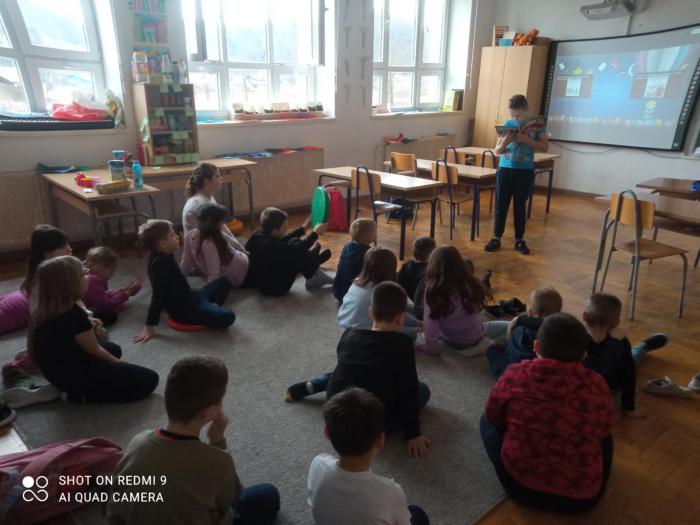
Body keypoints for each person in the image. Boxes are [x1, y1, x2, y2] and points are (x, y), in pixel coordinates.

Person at [106, 356, 280, 525]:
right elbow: (229, 499)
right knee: (266, 495)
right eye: (220, 402)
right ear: (208, 412)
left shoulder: (138, 440)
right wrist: (218, 443)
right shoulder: (217, 460)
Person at [481, 313, 614, 513]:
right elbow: (603, 429)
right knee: (605, 436)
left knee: (485, 420)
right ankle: (598, 473)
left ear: (536, 347)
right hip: (583, 500)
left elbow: (493, 415)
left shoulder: (515, 373)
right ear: (584, 354)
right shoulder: (597, 384)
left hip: (520, 487)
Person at [286, 282, 431, 459]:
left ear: (370, 312)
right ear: (401, 319)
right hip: (370, 425)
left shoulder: (349, 334)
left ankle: (320, 383)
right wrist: (412, 433)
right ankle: (324, 382)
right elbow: (408, 391)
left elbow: (344, 365)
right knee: (422, 390)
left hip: (336, 408)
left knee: (352, 369)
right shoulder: (403, 345)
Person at [28, 256, 158, 403]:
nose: (88, 276)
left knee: (114, 349)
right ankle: (84, 395)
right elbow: (95, 350)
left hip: (58, 375)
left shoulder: (46, 309)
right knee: (150, 379)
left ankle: (79, 388)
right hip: (74, 377)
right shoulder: (73, 313)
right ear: (70, 283)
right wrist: (125, 366)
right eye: (84, 273)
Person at [308, 387, 430, 525]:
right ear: (380, 441)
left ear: (327, 433)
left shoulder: (318, 464)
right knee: (417, 513)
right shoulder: (389, 491)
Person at [133, 220, 235, 343]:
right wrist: (149, 326)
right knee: (229, 316)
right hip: (184, 310)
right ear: (163, 244)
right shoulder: (159, 265)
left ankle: (210, 308)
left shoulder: (163, 253)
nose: (177, 237)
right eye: (172, 235)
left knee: (224, 281)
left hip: (191, 295)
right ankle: (209, 310)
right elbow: (157, 295)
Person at [582, 292, 667, 417]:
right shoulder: (618, 341)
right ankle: (643, 346)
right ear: (616, 322)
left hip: (610, 381)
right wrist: (629, 408)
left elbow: (628, 372)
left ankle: (643, 346)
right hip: (598, 384)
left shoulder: (577, 338)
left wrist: (628, 406)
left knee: (632, 357)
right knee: (632, 357)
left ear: (584, 316)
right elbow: (628, 373)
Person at [484, 94, 549, 255]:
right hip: (505, 170)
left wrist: (525, 140)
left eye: (518, 115)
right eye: (512, 115)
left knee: (520, 207)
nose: (515, 119)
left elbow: (544, 147)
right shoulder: (508, 124)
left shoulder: (537, 124)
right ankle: (496, 237)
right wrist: (505, 142)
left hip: (524, 172)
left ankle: (519, 240)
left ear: (526, 110)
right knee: (501, 206)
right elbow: (497, 150)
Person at [421, 246, 504, 356]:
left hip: (446, 337)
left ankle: (482, 343)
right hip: (471, 339)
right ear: (460, 263)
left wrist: (431, 347)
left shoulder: (432, 290)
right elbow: (477, 310)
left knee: (482, 320)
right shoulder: (470, 284)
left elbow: (430, 321)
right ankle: (487, 345)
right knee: (511, 327)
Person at [0, 225, 71, 335]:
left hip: (17, 299)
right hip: (15, 310)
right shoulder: (49, 273)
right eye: (63, 246)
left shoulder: (41, 268)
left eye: (68, 244)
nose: (69, 249)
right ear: (47, 253)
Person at [245, 207, 333, 296]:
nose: (286, 230)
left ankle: (312, 269)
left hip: (265, 283)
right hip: (276, 288)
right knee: (297, 253)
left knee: (294, 241)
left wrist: (303, 228)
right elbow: (296, 249)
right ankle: (314, 264)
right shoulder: (271, 245)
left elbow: (283, 239)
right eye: (284, 228)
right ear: (275, 230)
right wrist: (315, 233)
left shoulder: (259, 234)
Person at [337, 247, 420, 338]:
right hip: (363, 332)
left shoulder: (357, 281)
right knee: (411, 334)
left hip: (344, 324)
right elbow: (395, 316)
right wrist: (418, 323)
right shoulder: (382, 292)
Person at [486, 286, 562, 378]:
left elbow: (511, 344)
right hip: (534, 370)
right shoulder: (561, 331)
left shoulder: (521, 328)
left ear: (530, 312)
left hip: (514, 373)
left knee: (492, 350)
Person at [181, 204, 252, 288]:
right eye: (222, 222)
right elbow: (213, 275)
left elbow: (186, 263)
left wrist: (244, 251)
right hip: (243, 274)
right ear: (216, 224)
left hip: (243, 261)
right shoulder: (209, 244)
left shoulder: (190, 235)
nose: (223, 224)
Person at [83, 246, 143, 327]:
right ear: (101, 266)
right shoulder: (92, 280)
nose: (112, 275)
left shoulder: (89, 274)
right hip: (83, 312)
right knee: (110, 315)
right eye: (111, 271)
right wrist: (127, 293)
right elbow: (106, 306)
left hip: (83, 307)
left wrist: (123, 291)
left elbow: (103, 295)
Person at [333, 218, 377, 303]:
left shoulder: (346, 246)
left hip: (337, 291)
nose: (377, 234)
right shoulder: (368, 253)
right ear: (369, 238)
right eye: (375, 232)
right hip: (350, 296)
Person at [397, 236, 436, 301]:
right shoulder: (429, 271)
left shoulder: (406, 265)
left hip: (402, 298)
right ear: (432, 253)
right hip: (416, 301)